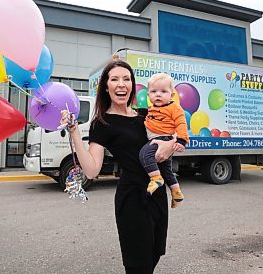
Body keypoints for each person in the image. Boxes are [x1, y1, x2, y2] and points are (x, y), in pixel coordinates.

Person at [61, 60, 176, 274]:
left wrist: (170, 145)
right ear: (106, 86)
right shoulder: (103, 123)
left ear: (132, 85)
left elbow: (174, 134)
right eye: (114, 79)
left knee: (155, 254)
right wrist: (75, 132)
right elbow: (92, 170)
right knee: (138, 264)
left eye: (126, 79)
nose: (121, 84)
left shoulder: (147, 114)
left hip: (157, 193)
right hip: (132, 199)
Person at [140, 73, 188, 208]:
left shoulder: (174, 108)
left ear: (172, 95)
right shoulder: (152, 109)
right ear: (148, 94)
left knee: (144, 154)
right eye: (154, 91)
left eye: (163, 91)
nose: (158, 95)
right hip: (160, 138)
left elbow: (181, 124)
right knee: (167, 171)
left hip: (163, 138)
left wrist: (181, 140)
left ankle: (155, 178)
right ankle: (176, 192)